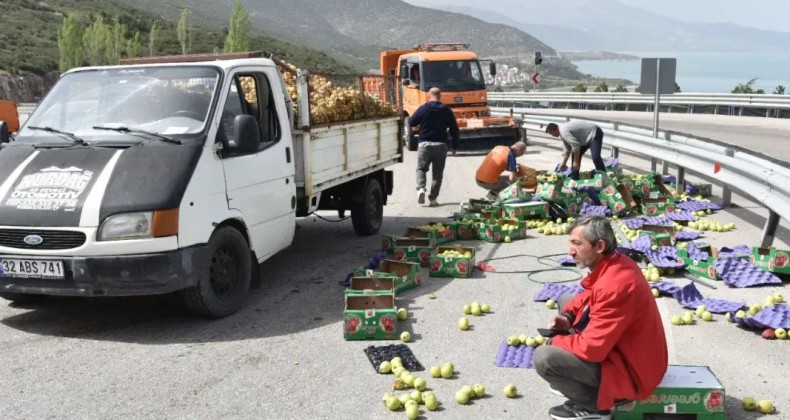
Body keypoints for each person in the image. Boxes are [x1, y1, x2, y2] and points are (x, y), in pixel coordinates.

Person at [532, 216, 668, 420]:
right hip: (633, 353)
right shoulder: (616, 262)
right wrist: (568, 317)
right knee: (566, 301)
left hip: (634, 373)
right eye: (570, 243)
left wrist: (556, 341)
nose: (570, 251)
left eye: (577, 244)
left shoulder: (615, 285)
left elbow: (592, 349)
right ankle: (577, 382)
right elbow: (589, 294)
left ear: (599, 246)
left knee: (544, 358)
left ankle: (593, 406)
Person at [409, 87, 459, 206]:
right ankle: (433, 199)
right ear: (440, 96)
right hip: (440, 145)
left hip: (424, 145)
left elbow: (411, 122)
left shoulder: (423, 108)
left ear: (428, 96)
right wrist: (455, 147)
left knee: (421, 169)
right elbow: (454, 130)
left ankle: (421, 188)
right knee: (437, 174)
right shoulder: (447, 110)